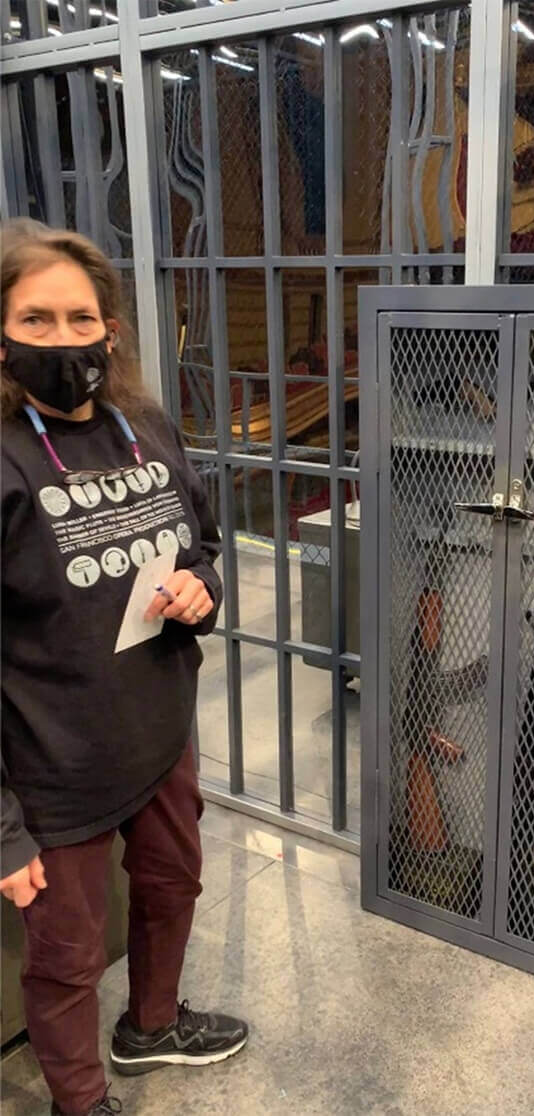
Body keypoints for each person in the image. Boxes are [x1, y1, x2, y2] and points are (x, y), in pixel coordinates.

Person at [0, 221, 249, 1116]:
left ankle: (151, 1026)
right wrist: (3, 825)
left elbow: (208, 546)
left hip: (157, 735)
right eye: (36, 321)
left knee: (172, 885)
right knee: (66, 958)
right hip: (50, 770)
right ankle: (79, 1101)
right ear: (2, 333)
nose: (64, 341)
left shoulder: (143, 425)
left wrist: (200, 589)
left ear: (110, 328)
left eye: (81, 319)